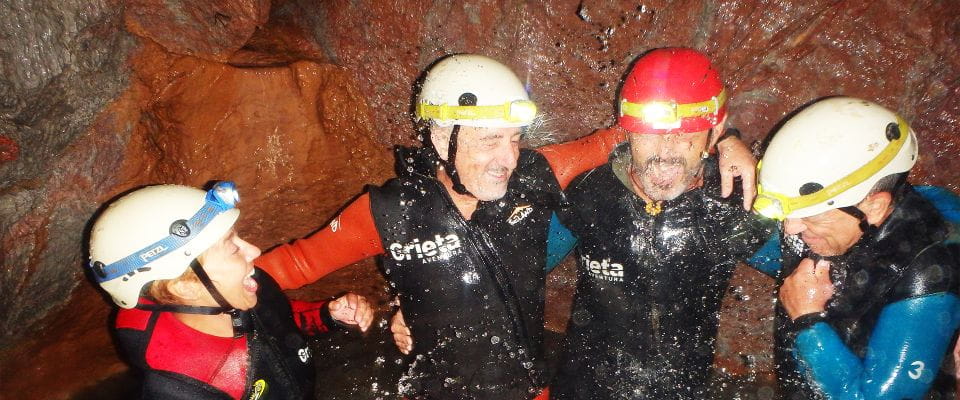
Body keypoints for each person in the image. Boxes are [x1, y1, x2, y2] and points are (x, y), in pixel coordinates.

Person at [254, 53, 757, 399]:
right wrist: (200, 281)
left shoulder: (535, 177)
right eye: (487, 141)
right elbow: (288, 266)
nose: (506, 159)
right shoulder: (391, 210)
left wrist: (727, 136)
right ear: (438, 137)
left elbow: (635, 131)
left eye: (514, 138)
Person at [545, 47, 775, 399]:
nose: (666, 150)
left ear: (714, 135)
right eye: (650, 133)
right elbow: (521, 269)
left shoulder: (731, 205)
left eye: (686, 135)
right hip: (584, 389)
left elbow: (814, 265)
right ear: (627, 131)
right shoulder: (590, 194)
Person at [87, 182, 374, 399]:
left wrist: (327, 316)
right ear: (184, 286)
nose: (254, 251)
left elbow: (279, 319)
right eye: (233, 246)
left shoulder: (241, 288)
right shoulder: (183, 390)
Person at [753, 96, 960, 399]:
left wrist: (808, 320)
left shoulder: (929, 271)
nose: (790, 228)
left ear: (874, 207)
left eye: (807, 215)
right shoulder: (821, 221)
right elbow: (743, 235)